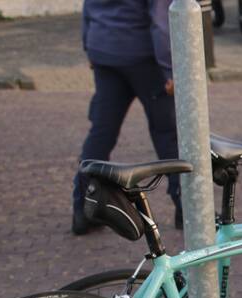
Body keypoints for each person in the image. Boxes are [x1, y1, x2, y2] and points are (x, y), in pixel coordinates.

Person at [72, 0, 182, 235]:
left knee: (102, 131)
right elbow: (160, 21)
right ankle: (185, 206)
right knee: (167, 133)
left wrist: (88, 45)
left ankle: (83, 207)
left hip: (104, 50)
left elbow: (88, 7)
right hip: (143, 56)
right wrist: (169, 68)